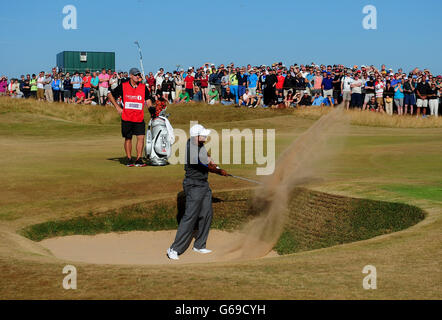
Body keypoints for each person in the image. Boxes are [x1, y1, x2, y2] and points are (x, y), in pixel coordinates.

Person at [167, 124, 228, 260]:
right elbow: (207, 167)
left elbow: (205, 155)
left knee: (206, 214)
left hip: (203, 185)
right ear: (196, 136)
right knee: (190, 217)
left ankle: (199, 245)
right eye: (203, 135)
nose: (205, 137)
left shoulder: (196, 142)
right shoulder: (192, 150)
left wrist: (211, 159)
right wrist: (219, 171)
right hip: (193, 185)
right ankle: (174, 249)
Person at [107, 68, 153, 167]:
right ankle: (129, 159)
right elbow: (109, 94)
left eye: (139, 75)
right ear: (131, 76)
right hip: (127, 117)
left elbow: (148, 100)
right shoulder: (123, 86)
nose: (138, 77)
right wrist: (117, 107)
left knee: (141, 137)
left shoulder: (143, 87)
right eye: (136, 75)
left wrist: (151, 109)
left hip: (139, 117)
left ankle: (139, 159)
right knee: (128, 138)